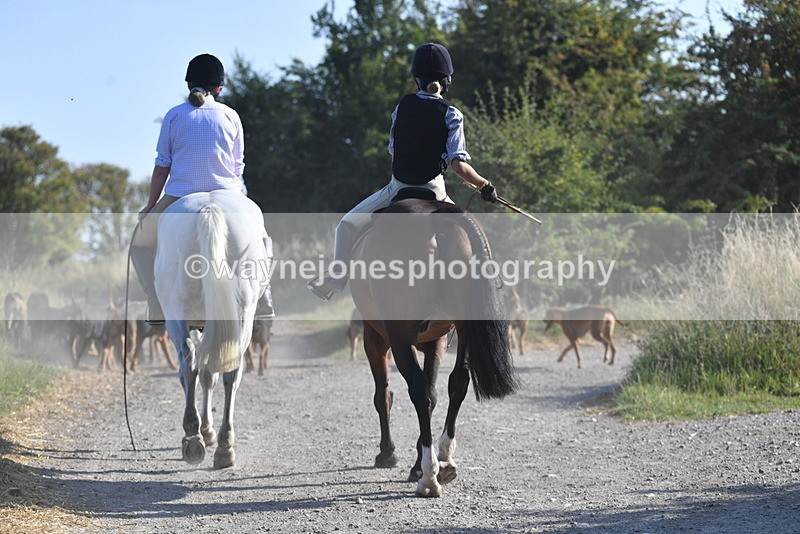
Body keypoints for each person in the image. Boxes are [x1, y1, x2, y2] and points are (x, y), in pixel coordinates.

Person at [307, 42, 498, 301]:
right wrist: (484, 186)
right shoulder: (452, 114)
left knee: (347, 224)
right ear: (447, 81)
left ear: (416, 79)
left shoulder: (402, 107)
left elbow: (394, 153)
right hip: (434, 191)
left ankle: (336, 278)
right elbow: (458, 166)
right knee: (473, 232)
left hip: (397, 188)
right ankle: (489, 285)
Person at [130, 53, 274, 324]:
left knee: (139, 243)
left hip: (179, 197)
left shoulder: (174, 116)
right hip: (229, 193)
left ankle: (156, 304)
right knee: (263, 239)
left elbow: (162, 167)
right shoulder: (231, 116)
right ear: (219, 88)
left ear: (188, 84)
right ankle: (264, 296)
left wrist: (151, 205)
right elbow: (238, 167)